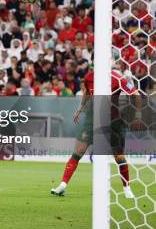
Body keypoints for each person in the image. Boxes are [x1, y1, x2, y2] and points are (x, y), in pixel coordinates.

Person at [50, 68, 138, 199]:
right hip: (91, 120)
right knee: (78, 152)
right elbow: (86, 92)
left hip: (112, 122)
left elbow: (135, 94)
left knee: (119, 157)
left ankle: (127, 188)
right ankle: (62, 185)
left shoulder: (118, 78)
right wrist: (80, 109)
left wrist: (137, 115)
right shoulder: (89, 76)